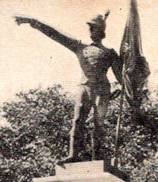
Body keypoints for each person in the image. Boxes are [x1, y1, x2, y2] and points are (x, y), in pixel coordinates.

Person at [15, 12, 122, 163]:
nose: (90, 31)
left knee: (99, 125)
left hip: (102, 91)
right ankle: (73, 155)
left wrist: (122, 89)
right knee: (78, 121)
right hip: (85, 88)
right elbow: (56, 35)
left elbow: (123, 77)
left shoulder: (110, 53)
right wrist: (34, 22)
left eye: (93, 28)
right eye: (89, 28)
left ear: (101, 32)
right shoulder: (80, 46)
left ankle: (97, 158)